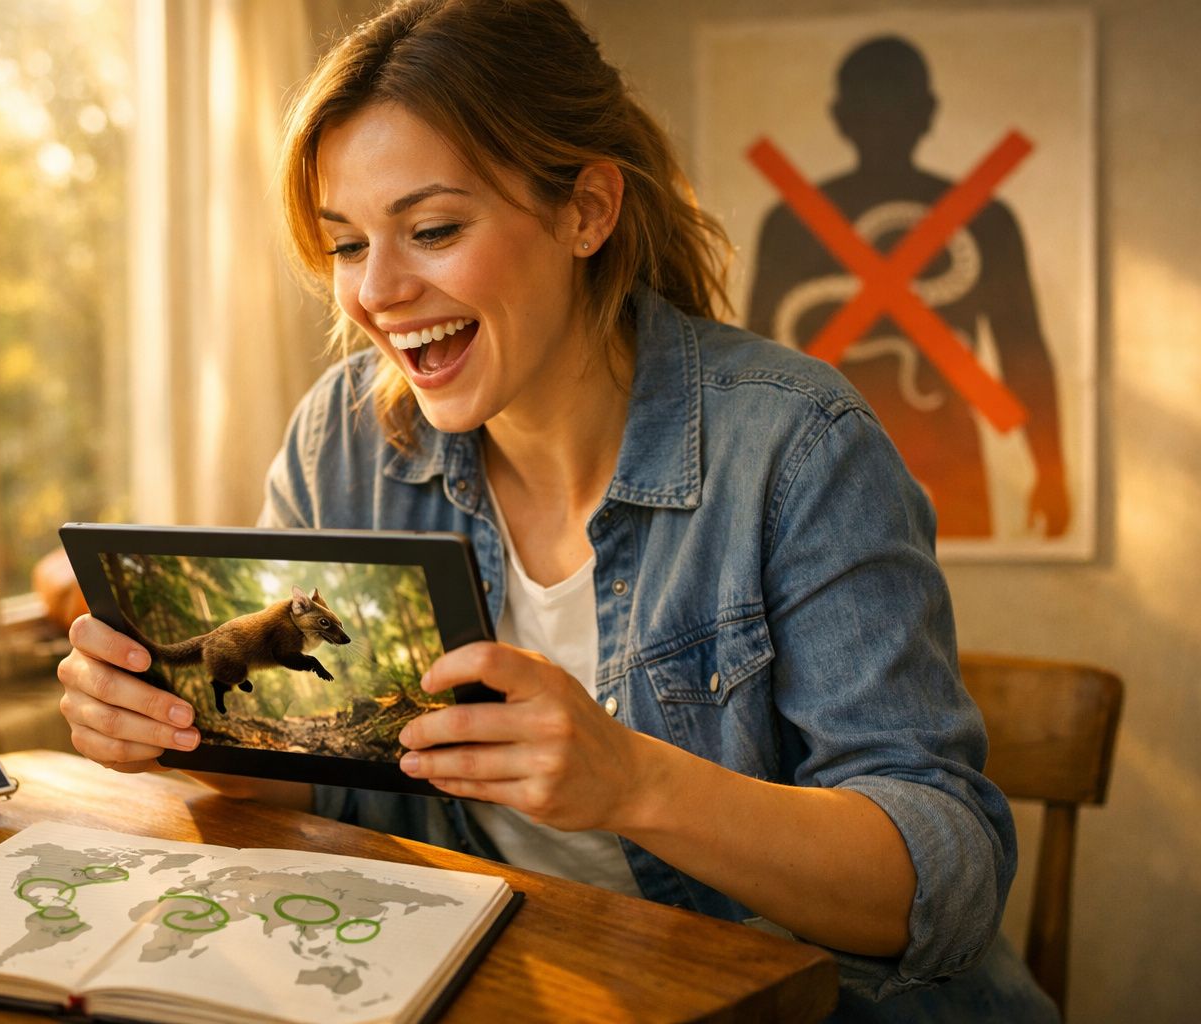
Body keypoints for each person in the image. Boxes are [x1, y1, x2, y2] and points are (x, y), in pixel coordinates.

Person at [56, 1, 1055, 1018]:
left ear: (588, 210)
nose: (378, 291)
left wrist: (635, 782)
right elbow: (320, 779)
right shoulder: (345, 442)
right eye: (347, 244)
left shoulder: (800, 449)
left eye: (433, 229)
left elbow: (947, 884)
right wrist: (172, 727)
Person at [746, 35, 1070, 541]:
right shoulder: (790, 224)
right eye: (871, 108)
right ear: (930, 111)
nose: (883, 122)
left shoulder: (985, 221)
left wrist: (1051, 472)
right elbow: (757, 367)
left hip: (939, 467)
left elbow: (1022, 350)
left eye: (893, 107)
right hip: (821, 469)